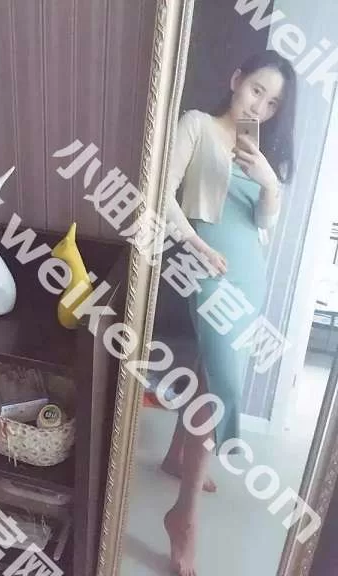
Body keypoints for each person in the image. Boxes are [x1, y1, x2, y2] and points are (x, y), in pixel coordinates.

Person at [162, 50, 297, 576]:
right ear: (236, 78)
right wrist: (195, 244)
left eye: (273, 102)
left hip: (250, 273)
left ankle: (178, 455)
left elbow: (263, 222)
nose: (260, 105)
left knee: (208, 370)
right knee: (224, 385)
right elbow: (161, 196)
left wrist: (270, 183)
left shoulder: (259, 150)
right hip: (207, 267)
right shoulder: (196, 124)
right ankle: (185, 519)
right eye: (256, 89)